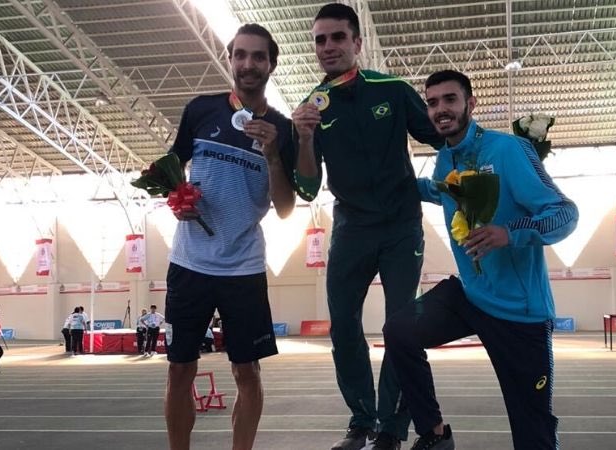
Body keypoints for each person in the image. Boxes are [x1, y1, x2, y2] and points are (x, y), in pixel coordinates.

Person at [382, 70, 579, 450]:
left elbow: (565, 213)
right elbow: (445, 191)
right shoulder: (445, 159)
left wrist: (510, 232)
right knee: (400, 331)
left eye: (450, 99)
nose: (441, 109)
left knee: (534, 434)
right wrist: (399, 185)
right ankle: (435, 434)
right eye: (432, 102)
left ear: (470, 104)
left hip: (520, 314)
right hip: (469, 296)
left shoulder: (509, 150)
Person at [291, 4, 443, 449]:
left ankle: (392, 428)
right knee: (342, 326)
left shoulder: (392, 90)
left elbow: (442, 136)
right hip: (351, 229)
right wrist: (304, 137)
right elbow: (307, 187)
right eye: (320, 40)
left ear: (357, 43)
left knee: (400, 327)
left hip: (401, 227)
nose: (328, 46)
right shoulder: (311, 108)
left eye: (338, 37)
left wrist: (479, 171)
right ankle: (362, 419)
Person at [162, 23, 296, 450]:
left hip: (244, 267)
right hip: (189, 263)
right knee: (179, 370)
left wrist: (273, 155)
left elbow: (286, 208)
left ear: (272, 64)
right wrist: (176, 198)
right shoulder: (200, 110)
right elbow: (170, 171)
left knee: (247, 372)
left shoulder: (283, 129)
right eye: (240, 55)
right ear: (230, 59)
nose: (248, 64)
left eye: (258, 57)